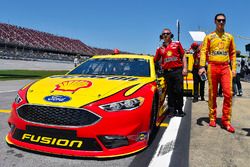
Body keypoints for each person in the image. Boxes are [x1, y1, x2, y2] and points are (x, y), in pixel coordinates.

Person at [199, 13, 236, 133]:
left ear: (225, 22)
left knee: (228, 94)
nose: (221, 22)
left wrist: (234, 68)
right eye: (219, 20)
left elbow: (233, 53)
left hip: (225, 67)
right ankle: (212, 117)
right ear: (214, 21)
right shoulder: (209, 37)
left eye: (223, 21)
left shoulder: (229, 37)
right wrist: (201, 66)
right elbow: (203, 51)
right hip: (212, 67)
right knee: (212, 93)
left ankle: (226, 121)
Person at [154, 28, 188, 117]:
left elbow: (183, 55)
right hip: (167, 73)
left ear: (171, 35)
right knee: (170, 92)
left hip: (177, 71)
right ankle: (172, 110)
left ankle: (180, 109)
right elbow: (155, 60)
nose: (165, 35)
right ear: (161, 36)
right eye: (164, 34)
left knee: (179, 90)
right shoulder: (159, 48)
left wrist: (185, 68)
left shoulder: (177, 44)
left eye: (167, 33)